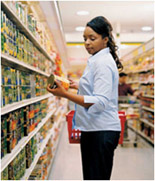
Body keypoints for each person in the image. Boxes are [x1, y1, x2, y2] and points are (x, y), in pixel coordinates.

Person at [47, 16, 123, 180]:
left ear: (105, 39)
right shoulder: (97, 59)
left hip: (101, 131)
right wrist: (77, 85)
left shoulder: (102, 62)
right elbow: (96, 88)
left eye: (92, 38)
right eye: (85, 39)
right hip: (94, 129)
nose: (87, 43)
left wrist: (65, 94)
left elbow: (100, 101)